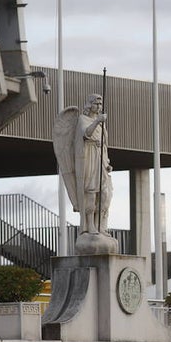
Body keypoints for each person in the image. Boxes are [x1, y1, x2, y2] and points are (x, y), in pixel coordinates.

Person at [52, 92, 113, 237]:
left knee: (105, 194)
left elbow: (104, 145)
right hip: (88, 158)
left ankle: (100, 225)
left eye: (100, 104)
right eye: (96, 104)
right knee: (91, 193)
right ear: (89, 104)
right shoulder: (83, 119)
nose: (98, 107)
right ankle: (89, 224)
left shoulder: (102, 125)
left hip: (99, 159)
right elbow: (87, 133)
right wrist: (97, 121)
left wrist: (107, 162)